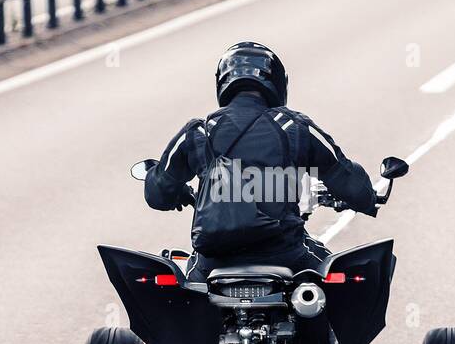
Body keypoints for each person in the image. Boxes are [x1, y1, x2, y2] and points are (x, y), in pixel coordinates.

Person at [145, 42, 378, 282]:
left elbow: (157, 194)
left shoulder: (199, 132)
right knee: (338, 284)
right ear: (277, 82)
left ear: (222, 82)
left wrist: (178, 193)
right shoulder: (295, 127)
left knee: (184, 300)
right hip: (285, 254)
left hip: (213, 260)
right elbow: (349, 181)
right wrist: (368, 198)